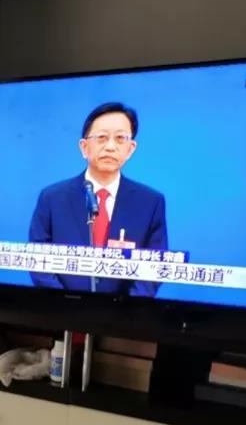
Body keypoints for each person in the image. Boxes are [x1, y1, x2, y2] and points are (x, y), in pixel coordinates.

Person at [27, 102, 168, 296]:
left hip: (124, 312)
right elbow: (37, 260)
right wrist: (66, 304)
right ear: (84, 147)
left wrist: (124, 309)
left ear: (130, 149)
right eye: (102, 137)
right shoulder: (52, 198)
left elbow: (154, 267)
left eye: (120, 138)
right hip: (62, 309)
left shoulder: (150, 202)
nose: (110, 147)